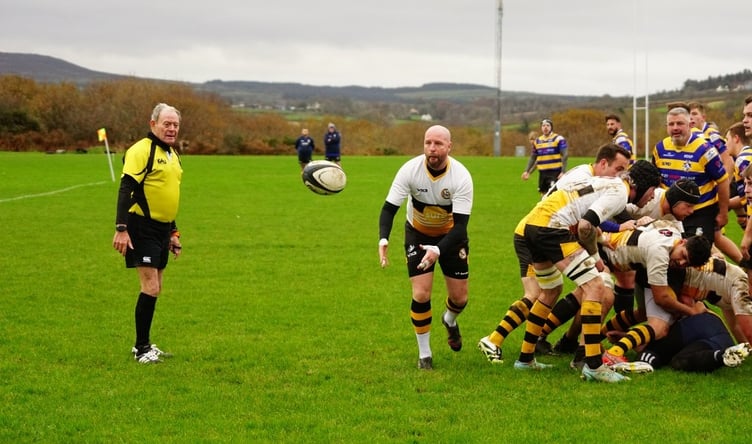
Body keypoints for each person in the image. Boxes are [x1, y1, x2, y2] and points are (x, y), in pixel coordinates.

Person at [478, 143, 631, 364]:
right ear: (604, 163)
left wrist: (603, 237)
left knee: (552, 290)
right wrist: (601, 245)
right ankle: (494, 340)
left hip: (540, 227)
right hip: (540, 229)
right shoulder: (584, 176)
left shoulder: (589, 177)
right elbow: (569, 212)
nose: (618, 176)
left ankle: (526, 357)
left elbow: (580, 216)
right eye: (618, 169)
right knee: (540, 292)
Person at [512, 160, 661, 382]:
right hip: (552, 227)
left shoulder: (609, 182)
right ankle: (593, 365)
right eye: (652, 192)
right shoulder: (620, 192)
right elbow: (585, 226)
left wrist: (598, 250)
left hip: (533, 225)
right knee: (596, 286)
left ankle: (525, 359)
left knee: (552, 289)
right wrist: (594, 257)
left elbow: (589, 220)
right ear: (641, 185)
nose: (651, 198)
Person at [378, 125, 473, 370]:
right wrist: (383, 239)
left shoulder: (461, 177)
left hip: (451, 237)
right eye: (428, 142)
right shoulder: (410, 170)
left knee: (460, 298)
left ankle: (449, 320)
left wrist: (439, 249)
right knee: (421, 294)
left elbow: (461, 226)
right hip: (417, 234)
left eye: (438, 144)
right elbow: (389, 208)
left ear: (449, 147)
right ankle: (425, 355)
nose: (432, 148)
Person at [113, 103, 183, 364]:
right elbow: (126, 188)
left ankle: (144, 345)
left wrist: (173, 232)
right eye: (167, 123)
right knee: (150, 287)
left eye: (175, 124)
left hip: (162, 228)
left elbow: (166, 195)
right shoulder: (141, 150)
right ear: (153, 124)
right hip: (140, 226)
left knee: (157, 287)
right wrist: (121, 228)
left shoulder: (173, 155)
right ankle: (141, 348)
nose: (171, 128)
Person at [651, 104, 729, 245]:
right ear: (666, 126)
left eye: (680, 123)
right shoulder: (659, 148)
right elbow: (654, 181)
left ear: (689, 125)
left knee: (697, 256)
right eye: (671, 124)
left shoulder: (705, 150)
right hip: (670, 215)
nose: (675, 128)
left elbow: (723, 180)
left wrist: (723, 213)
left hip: (699, 212)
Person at [637, 311, 751, 373]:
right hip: (722, 337)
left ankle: (721, 356)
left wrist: (641, 361)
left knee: (678, 360)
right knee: (690, 356)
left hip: (695, 327)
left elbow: (648, 356)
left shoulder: (663, 335)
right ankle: (724, 354)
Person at [521, 118, 568, 196]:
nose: (545, 127)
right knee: (543, 194)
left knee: (553, 195)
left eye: (547, 125)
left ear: (551, 127)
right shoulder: (538, 141)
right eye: (543, 126)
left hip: (555, 172)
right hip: (543, 173)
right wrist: (527, 171)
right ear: (541, 128)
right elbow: (533, 157)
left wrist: (563, 171)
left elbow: (565, 155)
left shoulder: (558, 139)